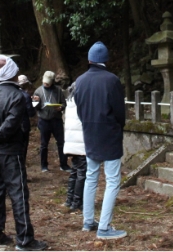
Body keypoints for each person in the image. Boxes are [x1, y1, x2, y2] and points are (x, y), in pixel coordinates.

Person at [0, 55, 47, 251]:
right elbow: (12, 123)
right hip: (10, 151)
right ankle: (24, 239)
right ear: (12, 73)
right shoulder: (16, 96)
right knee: (18, 193)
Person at [74, 41, 127, 240]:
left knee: (91, 177)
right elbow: (120, 112)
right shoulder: (112, 80)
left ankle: (88, 221)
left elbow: (79, 108)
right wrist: (118, 127)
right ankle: (104, 227)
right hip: (110, 134)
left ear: (89, 59)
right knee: (112, 180)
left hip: (90, 132)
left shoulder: (80, 80)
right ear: (106, 59)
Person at [33, 71, 70, 172]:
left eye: (48, 83)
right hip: (43, 120)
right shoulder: (38, 91)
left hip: (56, 120)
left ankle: (64, 164)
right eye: (45, 82)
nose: (46, 84)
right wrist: (36, 102)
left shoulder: (58, 91)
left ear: (53, 82)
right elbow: (34, 107)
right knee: (44, 144)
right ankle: (44, 165)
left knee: (61, 142)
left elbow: (64, 103)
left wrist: (61, 107)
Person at [63, 82, 86, 212]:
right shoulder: (81, 103)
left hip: (72, 141)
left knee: (74, 172)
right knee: (82, 173)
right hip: (80, 142)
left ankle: (70, 199)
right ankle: (77, 201)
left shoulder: (70, 102)